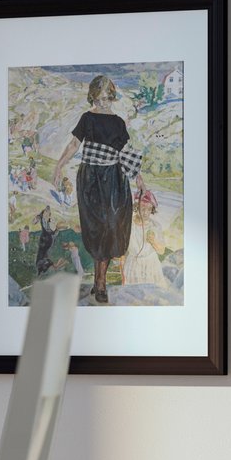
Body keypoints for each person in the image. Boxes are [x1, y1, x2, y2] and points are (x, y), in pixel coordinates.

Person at [51, 74, 145, 304]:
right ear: (92, 97)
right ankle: (100, 283)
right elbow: (74, 144)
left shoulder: (119, 122)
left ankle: (99, 282)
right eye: (99, 98)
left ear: (112, 97)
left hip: (114, 179)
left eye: (107, 99)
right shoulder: (87, 119)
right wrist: (58, 165)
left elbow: (126, 154)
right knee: (96, 228)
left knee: (112, 226)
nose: (103, 103)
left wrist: (140, 179)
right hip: (91, 179)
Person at [122, 186, 170, 290]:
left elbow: (161, 250)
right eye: (142, 208)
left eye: (149, 209)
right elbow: (123, 249)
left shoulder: (155, 226)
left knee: (153, 295)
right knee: (133, 296)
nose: (145, 212)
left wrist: (153, 242)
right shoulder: (128, 224)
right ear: (136, 207)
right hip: (133, 265)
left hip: (151, 265)